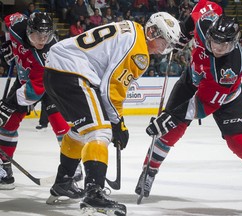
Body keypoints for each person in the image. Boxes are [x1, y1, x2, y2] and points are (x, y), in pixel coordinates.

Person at [135, 0, 242, 203]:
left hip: (224, 98)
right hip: (192, 79)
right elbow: (207, 5)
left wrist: (170, 117)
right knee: (169, 132)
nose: (217, 48)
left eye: (224, 45)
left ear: (233, 43)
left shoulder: (230, 68)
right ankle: (149, 171)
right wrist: (183, 33)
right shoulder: (204, 24)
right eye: (214, 41)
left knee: (240, 142)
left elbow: (202, 105)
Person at [43, 11, 182, 214]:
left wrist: (116, 120)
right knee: (100, 132)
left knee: (82, 131)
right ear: (152, 32)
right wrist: (118, 124)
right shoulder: (140, 52)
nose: (165, 49)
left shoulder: (132, 28)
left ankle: (63, 182)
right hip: (72, 72)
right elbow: (111, 88)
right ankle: (94, 194)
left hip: (57, 70)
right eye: (164, 42)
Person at [0, 12, 71, 190]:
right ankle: (4, 169)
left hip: (50, 83)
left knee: (61, 126)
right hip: (26, 79)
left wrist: (7, 105)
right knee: (7, 125)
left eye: (46, 36)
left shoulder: (48, 53)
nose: (42, 40)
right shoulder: (17, 26)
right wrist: (7, 42)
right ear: (28, 30)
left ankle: (72, 170)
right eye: (38, 35)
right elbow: (9, 19)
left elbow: (33, 92)